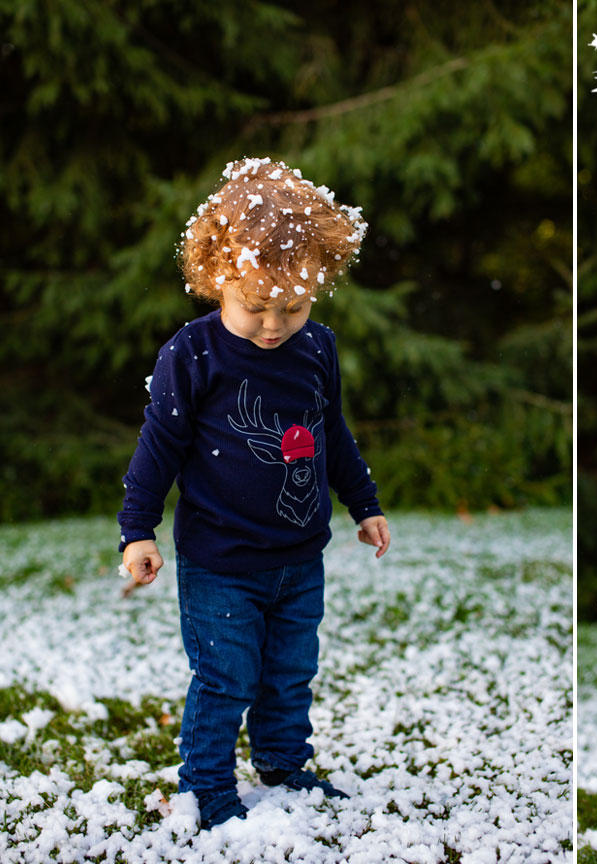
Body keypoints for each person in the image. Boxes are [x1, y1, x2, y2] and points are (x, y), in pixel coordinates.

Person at [117, 157, 391, 829]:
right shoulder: (193, 355)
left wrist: (366, 503)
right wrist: (138, 529)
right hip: (221, 562)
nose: (272, 325)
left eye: (291, 307)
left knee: (289, 672)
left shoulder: (317, 349)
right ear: (217, 280)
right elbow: (160, 447)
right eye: (254, 307)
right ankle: (207, 786)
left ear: (317, 288)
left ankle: (281, 762)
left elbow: (333, 434)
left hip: (299, 558)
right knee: (226, 677)